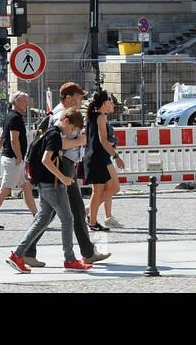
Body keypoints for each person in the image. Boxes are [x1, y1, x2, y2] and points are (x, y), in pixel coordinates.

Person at [7, 110, 93, 272]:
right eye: (73, 128)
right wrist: (63, 178)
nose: (72, 132)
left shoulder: (49, 132)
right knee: (67, 219)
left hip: (44, 183)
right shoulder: (54, 135)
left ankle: (17, 255)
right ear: (66, 121)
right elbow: (46, 160)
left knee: (42, 219)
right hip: (52, 183)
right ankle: (70, 259)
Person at [47, 82, 112, 264]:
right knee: (56, 212)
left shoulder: (63, 113)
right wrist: (80, 141)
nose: (82, 100)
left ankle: (88, 251)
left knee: (65, 211)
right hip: (63, 166)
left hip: (66, 166)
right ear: (68, 97)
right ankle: (25, 250)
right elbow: (58, 145)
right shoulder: (61, 115)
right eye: (78, 97)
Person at [0, 91, 36, 229]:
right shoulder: (15, 118)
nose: (27, 103)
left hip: (12, 158)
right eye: (25, 101)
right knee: (5, 190)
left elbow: (2, 137)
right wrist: (19, 156)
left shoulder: (10, 116)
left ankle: (36, 216)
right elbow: (14, 140)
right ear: (17, 102)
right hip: (14, 159)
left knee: (26, 187)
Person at [85, 90, 126, 231]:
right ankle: (92, 219)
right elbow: (102, 141)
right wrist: (116, 156)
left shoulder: (94, 116)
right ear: (104, 103)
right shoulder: (101, 117)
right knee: (102, 190)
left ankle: (92, 213)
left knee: (109, 188)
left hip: (98, 157)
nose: (113, 104)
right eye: (110, 101)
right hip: (98, 157)